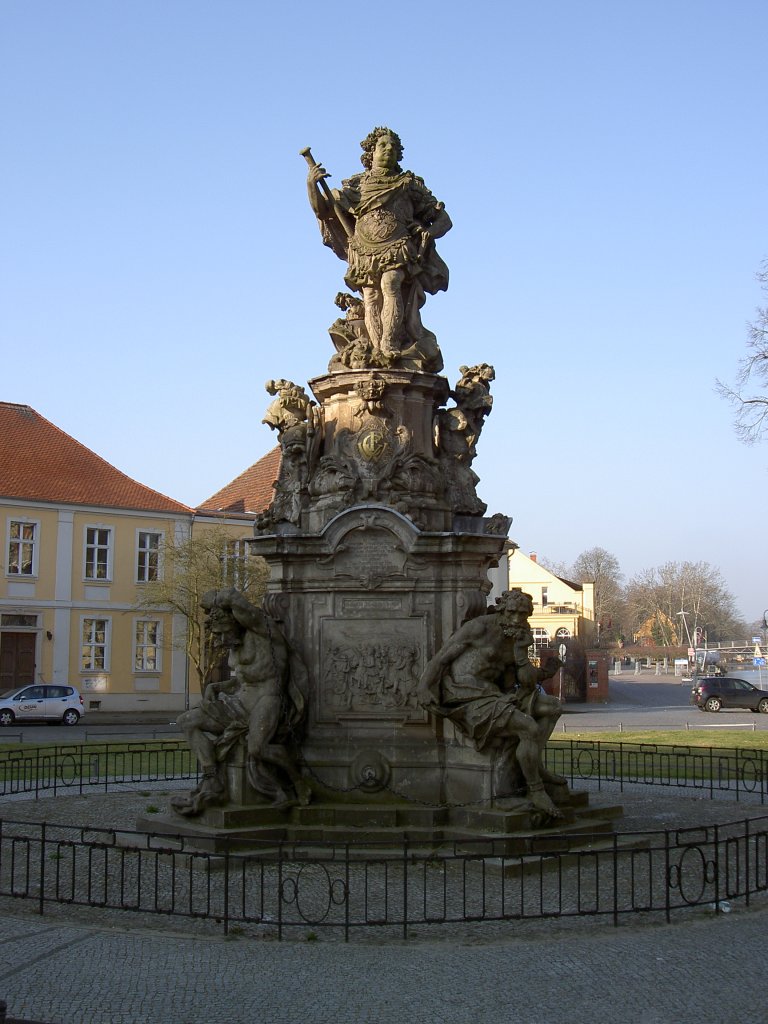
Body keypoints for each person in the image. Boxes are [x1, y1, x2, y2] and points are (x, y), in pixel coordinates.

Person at [307, 127, 452, 362]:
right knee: (372, 296)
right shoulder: (358, 185)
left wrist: (428, 231)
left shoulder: (407, 183)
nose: (389, 150)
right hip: (364, 249)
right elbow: (323, 210)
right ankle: (375, 349)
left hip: (397, 245)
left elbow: (444, 220)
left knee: (391, 283)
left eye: (394, 147)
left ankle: (389, 343)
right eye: (383, 146)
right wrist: (312, 185)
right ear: (370, 152)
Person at [418, 589, 565, 818]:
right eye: (512, 613)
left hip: (498, 694)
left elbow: (524, 680)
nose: (517, 619)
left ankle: (534, 767)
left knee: (554, 707)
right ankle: (536, 790)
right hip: (467, 695)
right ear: (501, 609)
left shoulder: (519, 633)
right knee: (528, 727)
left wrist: (527, 658)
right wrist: (424, 687)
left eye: (523, 615)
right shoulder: (480, 628)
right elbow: (442, 657)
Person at [171, 588, 310, 817]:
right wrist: (215, 687)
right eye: (219, 635)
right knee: (187, 721)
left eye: (225, 632)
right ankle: (211, 778)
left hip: (267, 699)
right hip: (241, 701)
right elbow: (241, 681)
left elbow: (233, 596)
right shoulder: (235, 645)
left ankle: (297, 783)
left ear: (238, 620)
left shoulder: (265, 632)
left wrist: (211, 600)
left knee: (258, 748)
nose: (223, 640)